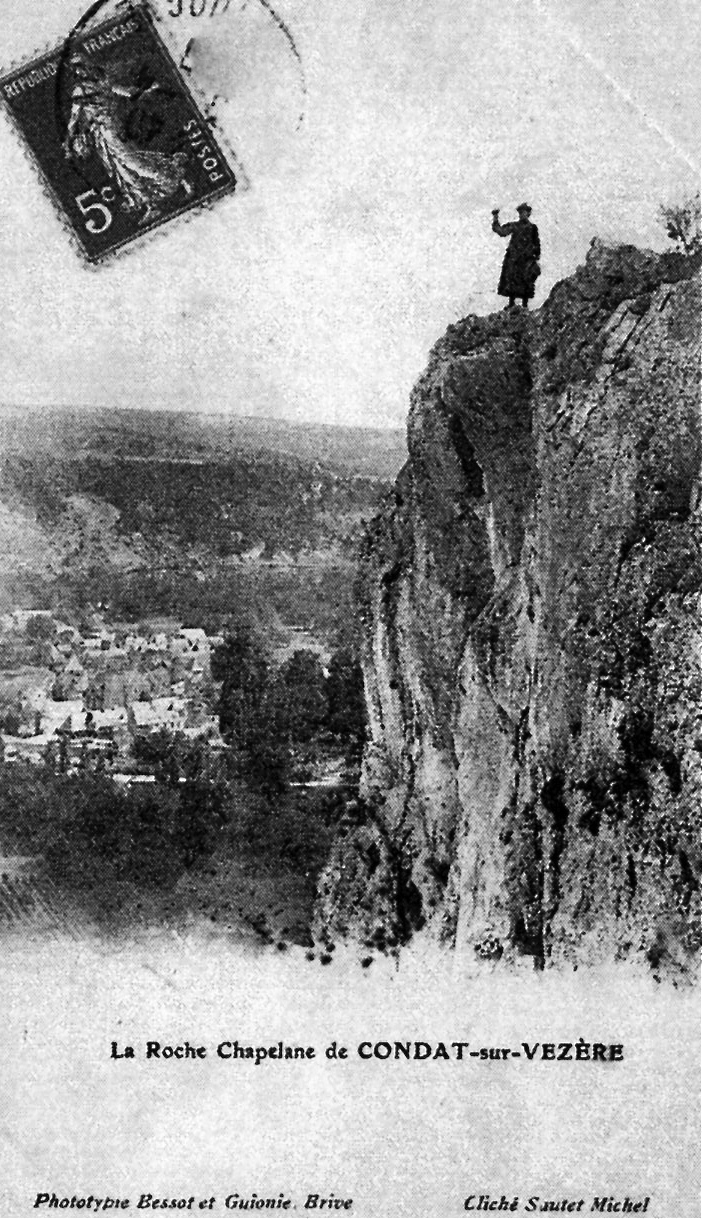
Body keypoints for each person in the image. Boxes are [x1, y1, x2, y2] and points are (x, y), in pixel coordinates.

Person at [491, 203, 541, 308]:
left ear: (528, 214)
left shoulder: (532, 228)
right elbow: (502, 231)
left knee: (526, 281)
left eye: (524, 212)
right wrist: (495, 218)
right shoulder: (514, 226)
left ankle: (525, 305)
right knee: (511, 280)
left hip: (526, 259)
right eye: (521, 212)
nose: (522, 214)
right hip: (514, 259)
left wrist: (535, 256)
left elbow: (536, 243)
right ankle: (511, 304)